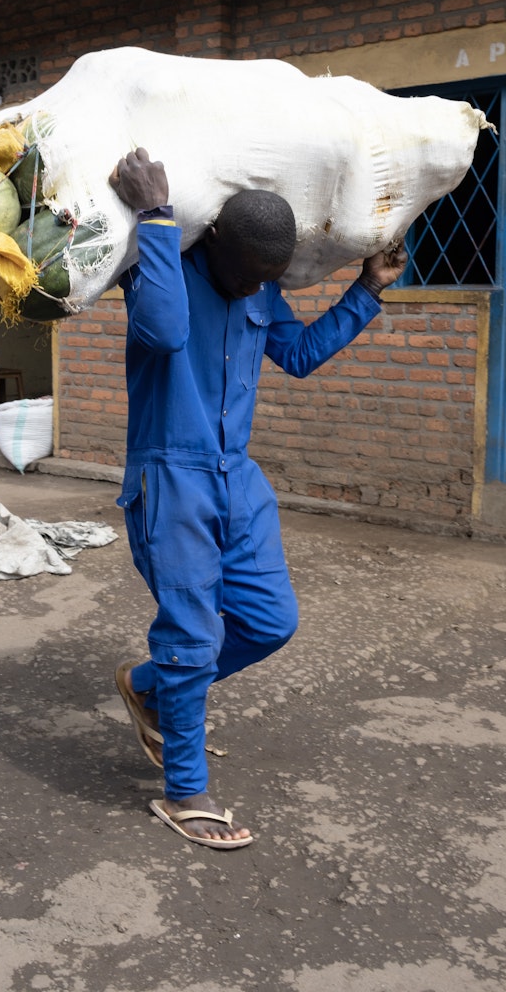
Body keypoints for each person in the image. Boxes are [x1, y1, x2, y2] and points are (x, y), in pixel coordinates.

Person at [111, 147, 407, 850]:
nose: (252, 292)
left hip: (238, 479)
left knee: (271, 619)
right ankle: (184, 792)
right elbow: (164, 331)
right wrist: (155, 215)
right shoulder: (165, 268)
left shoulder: (261, 287)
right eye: (243, 277)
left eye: (264, 283)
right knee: (193, 636)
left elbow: (298, 356)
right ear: (212, 241)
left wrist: (368, 290)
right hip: (171, 480)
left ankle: (149, 687)